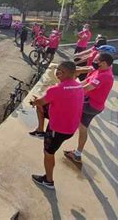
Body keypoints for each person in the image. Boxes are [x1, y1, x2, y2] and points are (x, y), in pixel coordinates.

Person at [30, 61, 84, 189]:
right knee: (41, 109)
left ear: (64, 73)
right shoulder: (79, 86)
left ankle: (48, 180)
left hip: (58, 129)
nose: (57, 72)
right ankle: (40, 131)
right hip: (71, 126)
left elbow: (40, 101)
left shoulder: (55, 89)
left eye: (59, 70)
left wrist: (33, 101)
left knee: (48, 153)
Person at [64, 53, 114, 163]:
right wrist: (73, 85)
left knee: (66, 105)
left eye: (96, 61)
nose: (94, 62)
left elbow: (85, 89)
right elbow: (85, 81)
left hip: (90, 105)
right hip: (95, 105)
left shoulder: (104, 76)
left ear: (104, 63)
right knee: (83, 128)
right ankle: (77, 154)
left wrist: (66, 89)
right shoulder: (102, 70)